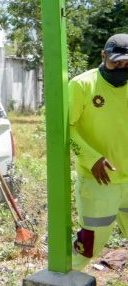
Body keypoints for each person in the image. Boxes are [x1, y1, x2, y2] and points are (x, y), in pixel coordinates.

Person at [69, 33, 128, 270]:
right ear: (103, 56)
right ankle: (65, 279)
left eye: (127, 64)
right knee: (89, 246)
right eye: (116, 63)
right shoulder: (82, 85)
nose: (121, 69)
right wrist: (90, 157)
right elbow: (66, 130)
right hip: (99, 182)